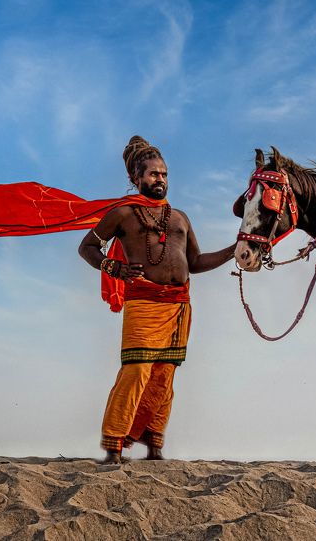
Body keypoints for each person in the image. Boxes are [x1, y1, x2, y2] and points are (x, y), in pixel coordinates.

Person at [78, 136, 236, 463]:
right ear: (137, 179)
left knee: (164, 375)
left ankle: (155, 445)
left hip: (179, 305)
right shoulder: (122, 214)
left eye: (164, 174)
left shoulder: (180, 218)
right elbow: (87, 248)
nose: (160, 179)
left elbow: (195, 262)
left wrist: (235, 250)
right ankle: (114, 446)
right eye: (153, 174)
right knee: (136, 371)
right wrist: (112, 266)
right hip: (144, 302)